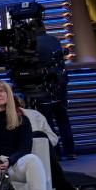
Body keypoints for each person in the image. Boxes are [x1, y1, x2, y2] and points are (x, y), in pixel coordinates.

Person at [34, 22, 76, 159]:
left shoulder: (32, 44)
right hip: (59, 85)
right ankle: (70, 152)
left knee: (48, 122)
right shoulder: (54, 40)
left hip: (43, 88)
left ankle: (55, 153)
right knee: (63, 120)